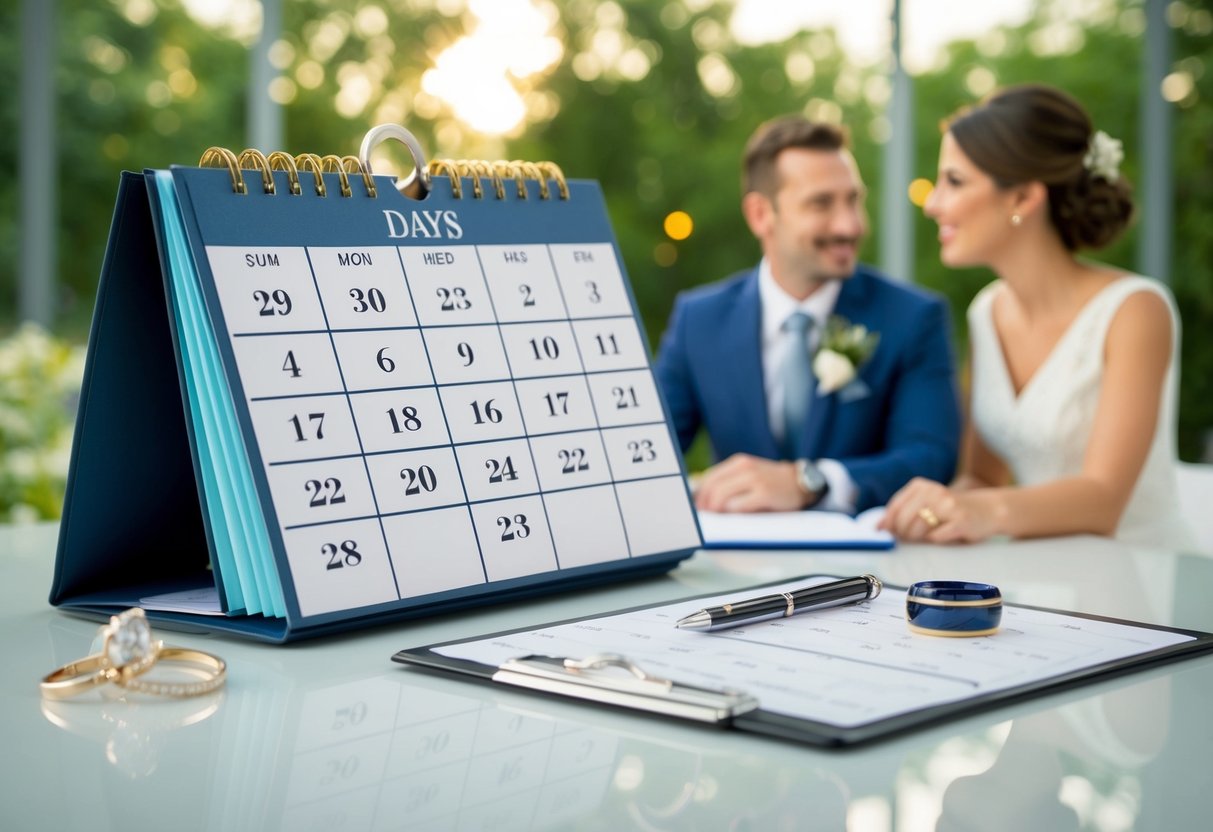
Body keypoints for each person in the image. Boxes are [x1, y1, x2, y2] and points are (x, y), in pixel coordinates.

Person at [879, 84, 1194, 548]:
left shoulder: (1136, 310)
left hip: (1145, 584)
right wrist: (932, 511)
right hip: (1042, 579)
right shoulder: (986, 311)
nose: (933, 203)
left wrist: (983, 510)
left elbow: (1103, 500)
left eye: (955, 181)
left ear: (1023, 198)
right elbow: (983, 479)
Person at [653, 116, 961, 514]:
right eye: (821, 203)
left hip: (865, 568)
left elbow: (931, 458)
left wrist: (811, 482)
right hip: (733, 565)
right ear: (761, 214)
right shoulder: (699, 320)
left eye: (853, 200)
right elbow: (649, 457)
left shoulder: (915, 317)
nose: (850, 225)